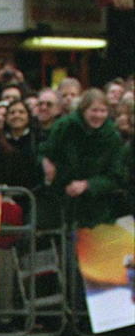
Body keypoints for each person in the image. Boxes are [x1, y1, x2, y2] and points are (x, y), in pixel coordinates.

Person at [39, 88, 128, 230]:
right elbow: (45, 150)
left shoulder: (112, 137)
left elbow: (116, 176)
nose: (98, 115)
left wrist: (88, 185)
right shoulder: (64, 127)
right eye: (94, 110)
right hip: (63, 201)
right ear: (83, 110)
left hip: (96, 208)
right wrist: (45, 162)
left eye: (102, 111)